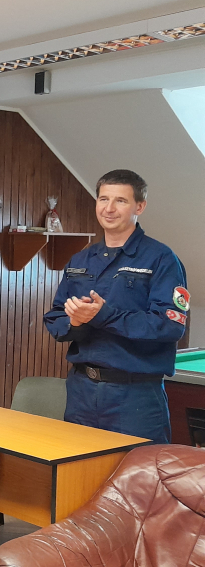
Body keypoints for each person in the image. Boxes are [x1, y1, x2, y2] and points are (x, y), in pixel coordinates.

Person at [44, 169, 187, 443]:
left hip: (135, 395)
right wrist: (74, 322)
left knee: (140, 469)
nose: (109, 209)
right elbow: (55, 318)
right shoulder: (81, 259)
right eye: (103, 199)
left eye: (120, 201)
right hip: (81, 391)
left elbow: (169, 325)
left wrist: (104, 315)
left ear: (139, 207)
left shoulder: (161, 259)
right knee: (78, 468)